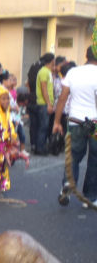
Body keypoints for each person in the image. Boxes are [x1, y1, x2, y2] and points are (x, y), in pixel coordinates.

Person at [53, 46, 97, 207]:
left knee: (73, 156)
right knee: (95, 160)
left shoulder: (73, 72)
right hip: (94, 122)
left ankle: (68, 184)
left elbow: (63, 98)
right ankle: (90, 197)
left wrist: (56, 122)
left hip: (75, 120)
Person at [0, 86, 19, 191]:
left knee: (4, 166)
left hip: (6, 144)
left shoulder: (6, 112)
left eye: (8, 98)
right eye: (3, 99)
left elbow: (10, 126)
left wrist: (13, 136)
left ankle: (1, 186)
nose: (7, 101)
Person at [34, 52, 56, 155]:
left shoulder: (48, 72)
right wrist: (48, 104)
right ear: (52, 60)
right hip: (43, 104)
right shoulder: (44, 72)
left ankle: (41, 146)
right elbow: (44, 88)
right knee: (43, 126)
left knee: (45, 126)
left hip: (47, 103)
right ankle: (40, 148)